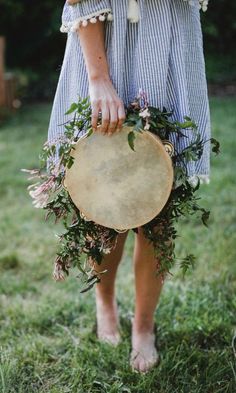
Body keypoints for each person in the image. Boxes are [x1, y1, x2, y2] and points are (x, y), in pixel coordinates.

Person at [47, 0, 211, 373]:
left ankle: (143, 326)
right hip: (107, 40)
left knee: (160, 204)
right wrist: (98, 77)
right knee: (103, 204)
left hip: (168, 36)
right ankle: (105, 301)